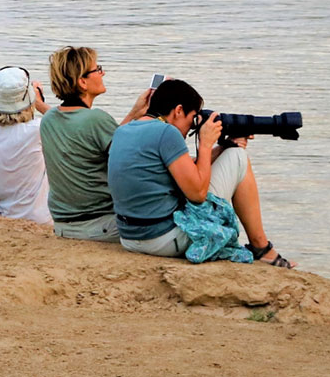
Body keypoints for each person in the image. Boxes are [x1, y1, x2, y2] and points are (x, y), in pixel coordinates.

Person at [106, 78, 294, 267]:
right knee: (238, 157)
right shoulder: (166, 133)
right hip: (163, 240)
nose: (191, 128)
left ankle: (261, 247)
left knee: (231, 152)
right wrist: (205, 144)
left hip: (130, 239)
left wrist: (223, 147)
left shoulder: (125, 130)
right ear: (179, 110)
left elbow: (182, 169)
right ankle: (262, 247)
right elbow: (197, 194)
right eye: (192, 119)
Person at [39, 46, 149, 241]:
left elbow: (100, 140)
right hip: (101, 225)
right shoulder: (96, 119)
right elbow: (133, 161)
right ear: (82, 82)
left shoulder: (49, 119)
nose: (102, 73)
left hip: (64, 225)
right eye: (97, 69)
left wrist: (134, 114)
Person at [0, 67, 52, 224]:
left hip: (0, 215)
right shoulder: (38, 129)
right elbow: (68, 122)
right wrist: (40, 103)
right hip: (38, 218)